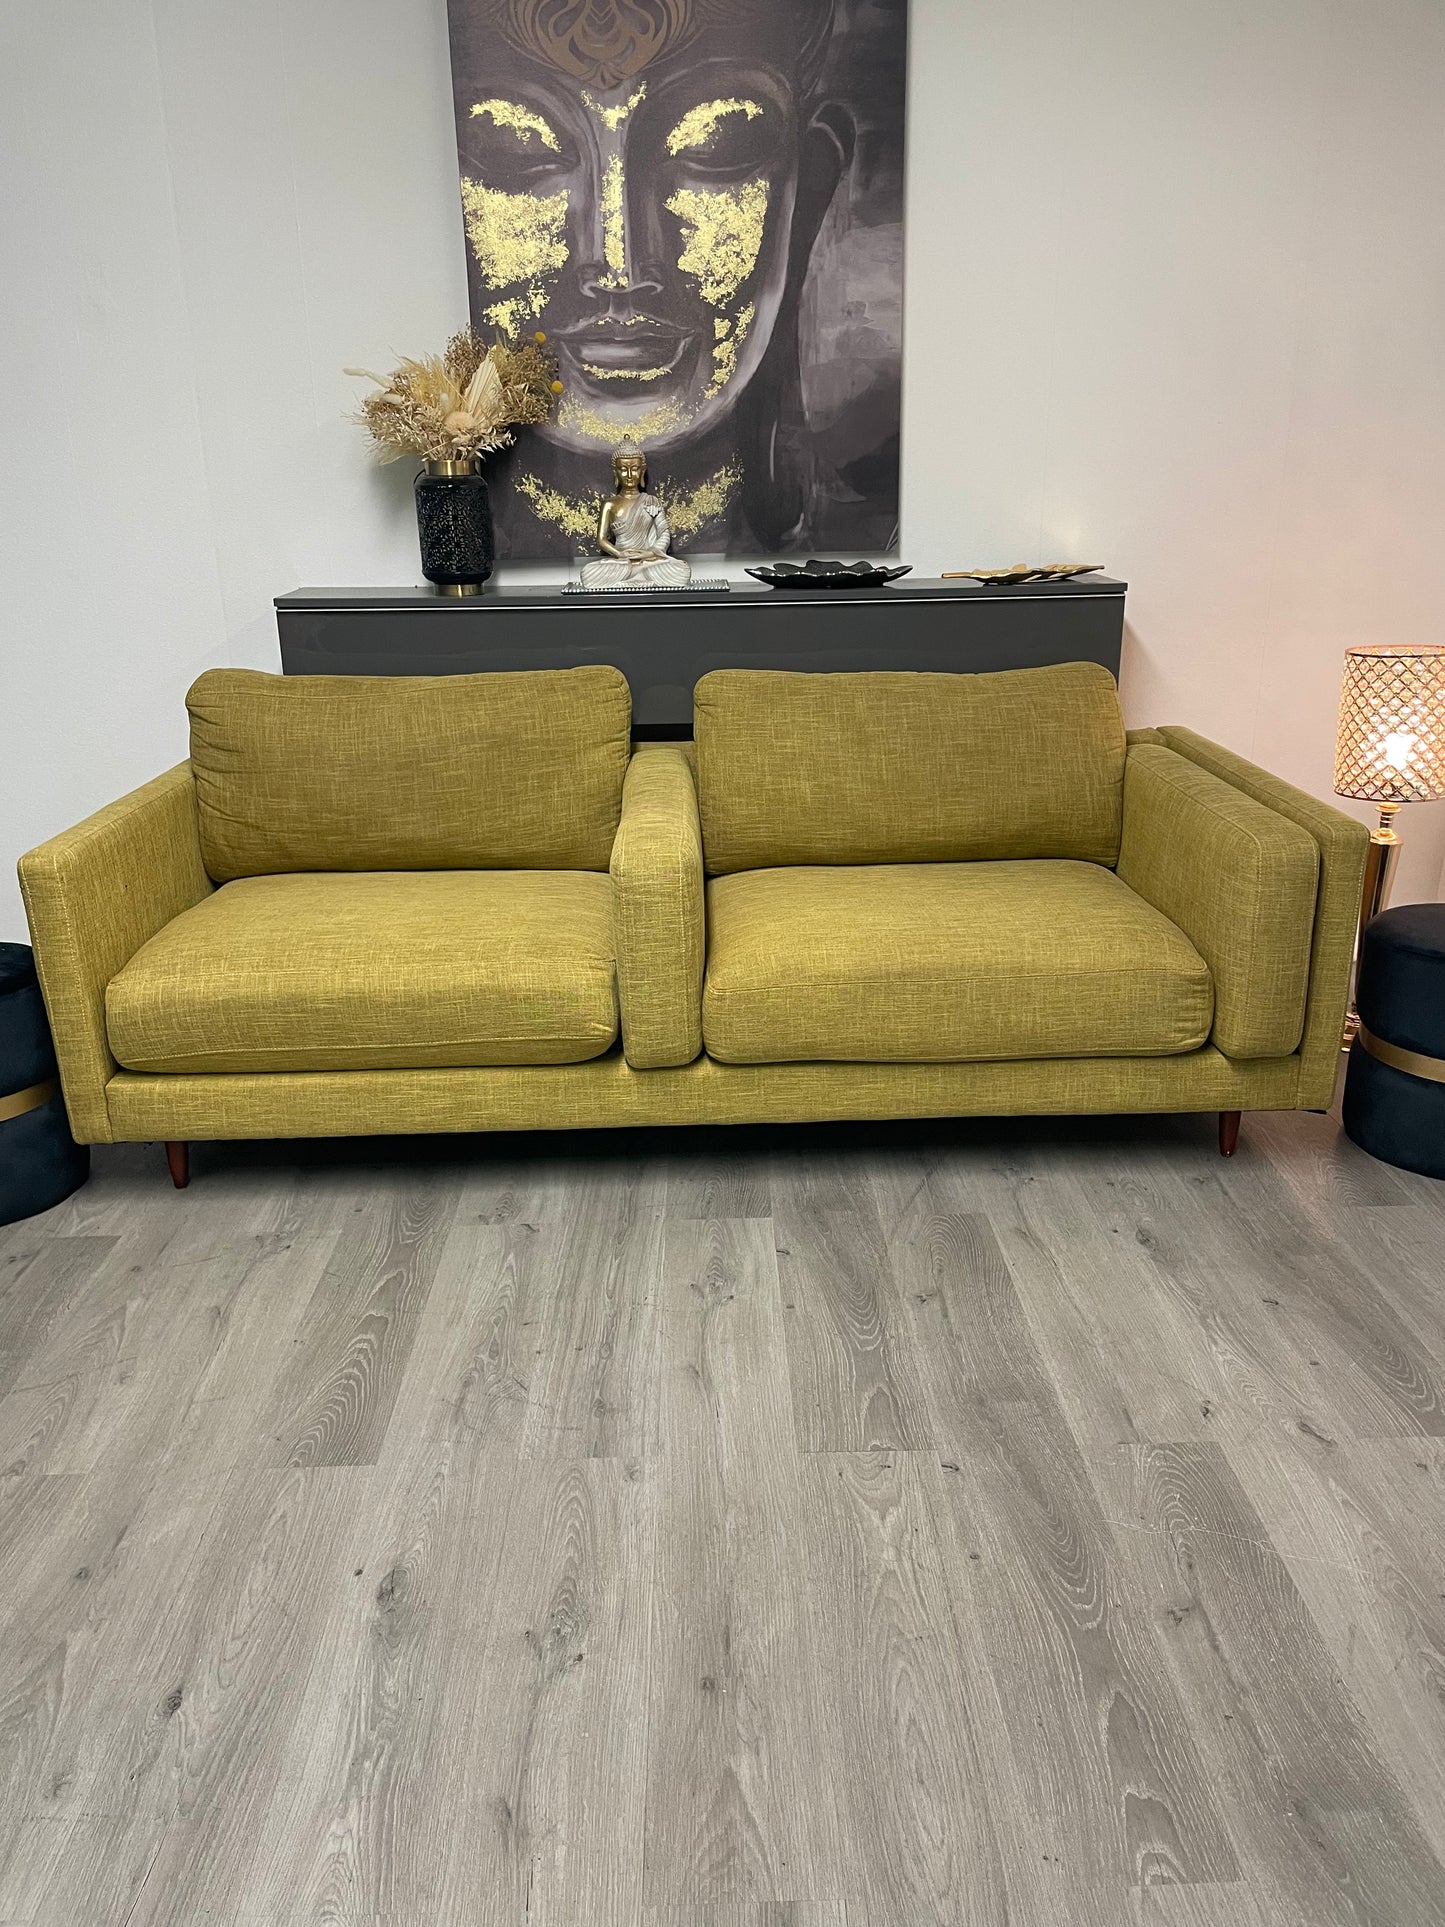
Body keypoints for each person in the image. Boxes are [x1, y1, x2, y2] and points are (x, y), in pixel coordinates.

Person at [580, 443, 691, 588]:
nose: (629, 475)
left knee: (682, 570)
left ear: (642, 471)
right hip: (621, 562)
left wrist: (648, 553)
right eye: (623, 469)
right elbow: (602, 540)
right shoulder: (609, 504)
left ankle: (635, 574)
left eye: (634, 469)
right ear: (615, 472)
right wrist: (619, 554)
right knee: (588, 573)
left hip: (648, 561)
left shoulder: (651, 501)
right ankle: (638, 575)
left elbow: (664, 535)